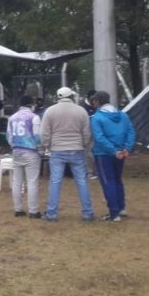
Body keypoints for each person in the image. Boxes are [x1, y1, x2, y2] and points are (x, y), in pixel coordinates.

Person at [40, 87, 94, 222]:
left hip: (57, 150)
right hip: (77, 149)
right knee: (81, 181)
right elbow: (87, 133)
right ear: (71, 96)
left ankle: (51, 214)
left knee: (55, 182)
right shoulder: (81, 111)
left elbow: (44, 133)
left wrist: (48, 145)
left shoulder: (50, 111)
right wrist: (83, 145)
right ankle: (88, 213)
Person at [89, 90, 135, 222]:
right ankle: (121, 207)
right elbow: (131, 132)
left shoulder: (97, 118)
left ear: (97, 101)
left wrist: (113, 150)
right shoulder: (123, 115)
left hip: (104, 154)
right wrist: (127, 148)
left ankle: (114, 213)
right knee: (117, 180)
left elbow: (99, 138)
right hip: (121, 151)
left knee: (108, 182)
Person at [6, 95, 43, 219]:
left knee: (17, 182)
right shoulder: (34, 117)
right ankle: (33, 211)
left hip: (16, 151)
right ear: (31, 104)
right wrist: (40, 147)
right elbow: (38, 136)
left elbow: (9, 136)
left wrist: (14, 146)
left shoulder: (12, 118)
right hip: (31, 152)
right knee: (32, 182)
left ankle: (18, 209)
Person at [79, 90, 99, 180]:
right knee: (89, 153)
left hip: (97, 133)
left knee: (96, 153)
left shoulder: (97, 107)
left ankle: (97, 171)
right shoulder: (82, 108)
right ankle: (89, 172)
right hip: (87, 133)